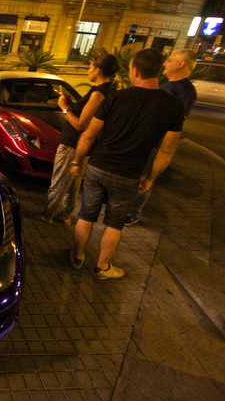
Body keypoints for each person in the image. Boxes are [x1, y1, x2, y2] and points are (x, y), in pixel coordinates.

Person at [69, 49, 185, 279]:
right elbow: (167, 149)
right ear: (158, 71)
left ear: (135, 70)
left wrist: (77, 161)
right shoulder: (174, 106)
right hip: (129, 174)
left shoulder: (115, 97)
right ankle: (103, 267)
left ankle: (78, 256)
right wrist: (150, 178)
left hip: (98, 166)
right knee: (114, 222)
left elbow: (89, 134)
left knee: (86, 214)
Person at [33, 54, 120, 228]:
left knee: (60, 181)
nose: (88, 70)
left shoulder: (98, 93)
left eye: (90, 67)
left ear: (98, 70)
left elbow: (81, 125)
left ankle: (48, 215)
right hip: (81, 145)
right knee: (72, 182)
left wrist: (65, 109)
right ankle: (65, 215)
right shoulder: (102, 90)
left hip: (73, 143)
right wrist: (72, 105)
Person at [124, 49, 198, 226]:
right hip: (143, 139)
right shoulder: (167, 85)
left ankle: (132, 213)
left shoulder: (185, 90)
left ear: (181, 64)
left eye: (170, 60)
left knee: (144, 176)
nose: (165, 63)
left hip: (154, 143)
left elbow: (175, 121)